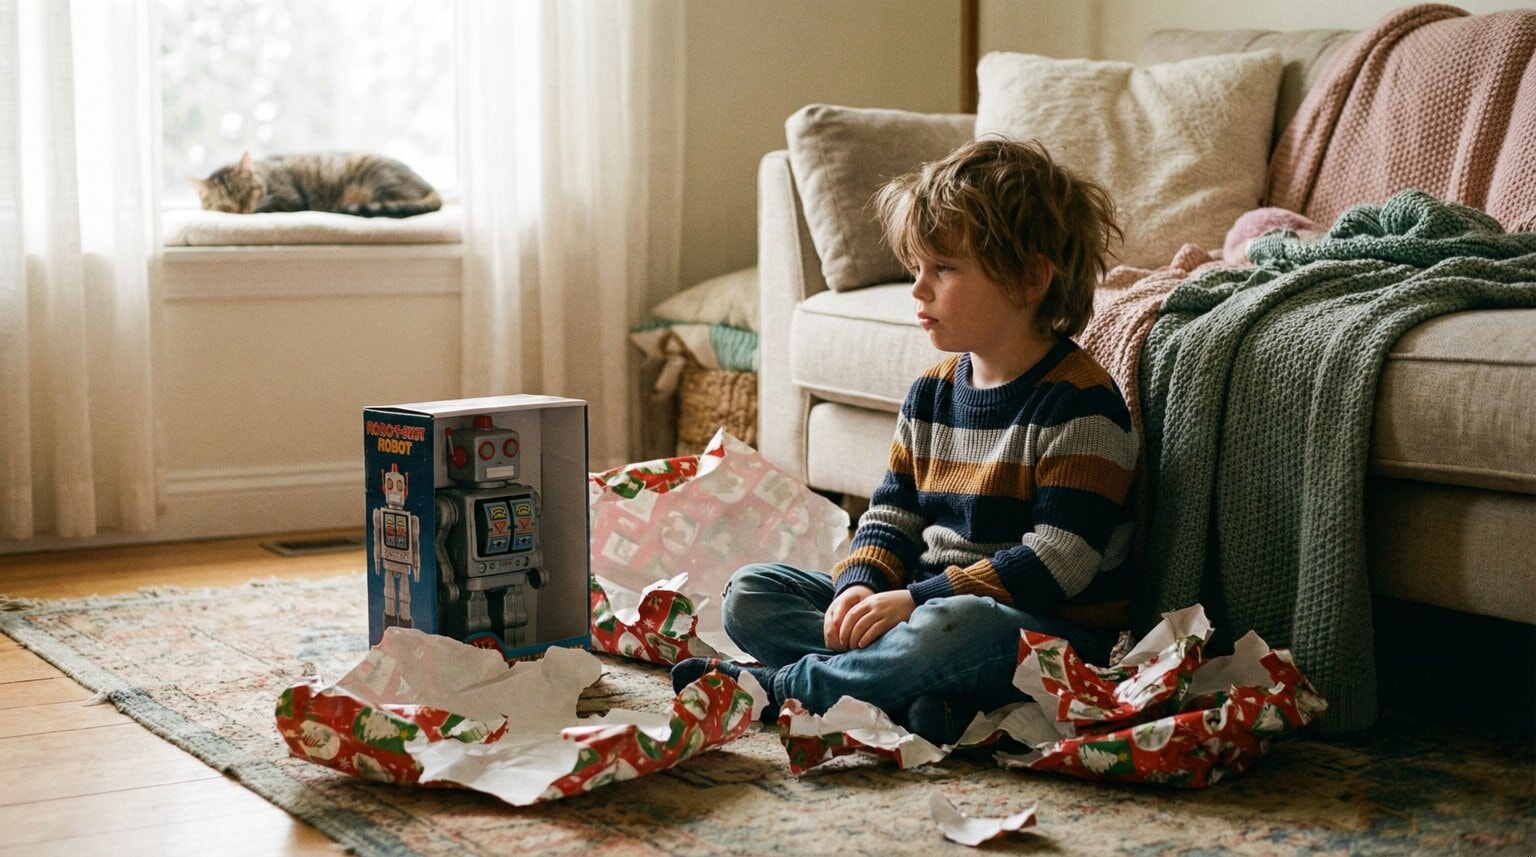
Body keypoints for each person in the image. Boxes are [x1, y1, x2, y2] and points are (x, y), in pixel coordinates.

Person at [671, 137, 1137, 746]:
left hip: (1037, 633)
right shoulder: (931, 393)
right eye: (916, 267)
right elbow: (891, 515)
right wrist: (860, 587)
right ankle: (919, 697)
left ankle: (782, 688)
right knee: (750, 593)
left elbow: (1058, 563)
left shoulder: (1081, 403)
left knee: (956, 627)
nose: (917, 289)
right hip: (923, 606)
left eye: (943, 269)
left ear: (1029, 280)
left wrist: (917, 600)